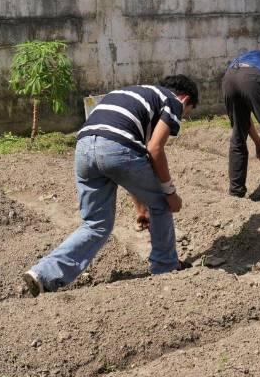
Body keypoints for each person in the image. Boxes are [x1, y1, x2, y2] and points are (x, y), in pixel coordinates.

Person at [22, 76, 199, 296]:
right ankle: (166, 268)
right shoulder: (172, 101)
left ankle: (43, 274)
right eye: (187, 113)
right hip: (116, 147)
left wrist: (141, 209)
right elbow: (154, 149)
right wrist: (170, 193)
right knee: (162, 203)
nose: (181, 118)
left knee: (96, 224)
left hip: (84, 148)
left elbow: (136, 161)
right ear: (185, 99)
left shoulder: (131, 95)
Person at [222, 49, 260, 203]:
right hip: (255, 77)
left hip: (230, 76)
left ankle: (235, 192)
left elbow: (245, 121)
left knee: (238, 135)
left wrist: (258, 143)